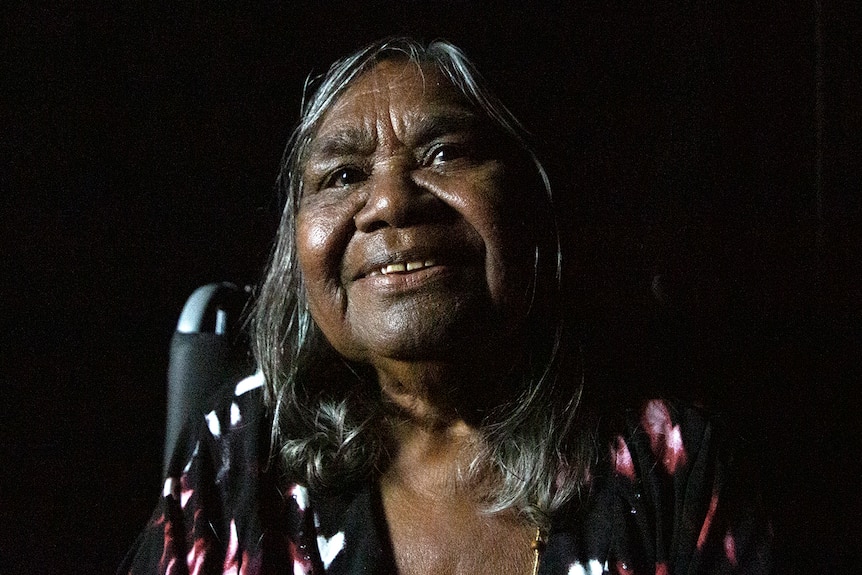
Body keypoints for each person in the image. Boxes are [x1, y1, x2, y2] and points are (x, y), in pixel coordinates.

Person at [120, 37, 772, 575]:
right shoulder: (242, 449)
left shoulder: (672, 464)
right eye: (343, 174)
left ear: (533, 205)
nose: (392, 202)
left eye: (445, 153)